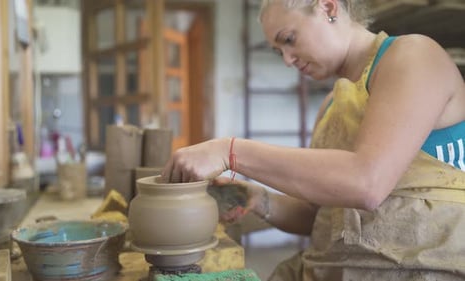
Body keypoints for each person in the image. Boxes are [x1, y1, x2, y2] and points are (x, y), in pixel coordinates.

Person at [161, 0, 465, 280]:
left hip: (421, 270)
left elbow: (366, 182)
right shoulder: (332, 104)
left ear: (328, 7)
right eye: (278, 51)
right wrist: (257, 199)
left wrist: (229, 151)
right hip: (335, 270)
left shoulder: (413, 56)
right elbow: (317, 215)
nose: (288, 60)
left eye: (289, 40)